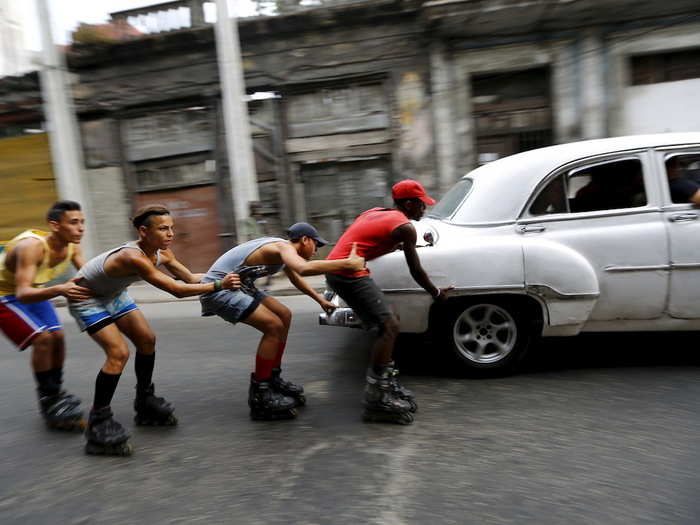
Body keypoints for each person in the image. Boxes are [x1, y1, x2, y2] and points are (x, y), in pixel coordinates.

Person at [69, 205, 240, 456]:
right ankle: (98, 421)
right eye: (163, 228)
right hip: (86, 298)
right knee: (118, 354)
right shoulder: (133, 256)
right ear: (143, 231)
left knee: (147, 340)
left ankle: (145, 400)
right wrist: (218, 285)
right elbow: (177, 291)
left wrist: (230, 277)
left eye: (171, 228)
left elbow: (191, 279)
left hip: (113, 294)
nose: (170, 233)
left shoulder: (163, 253)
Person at [199, 222, 365, 421]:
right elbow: (303, 269)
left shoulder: (284, 252)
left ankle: (272, 378)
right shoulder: (282, 247)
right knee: (273, 326)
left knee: (284, 315)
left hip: (241, 285)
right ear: (304, 240)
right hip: (219, 288)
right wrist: (347, 263)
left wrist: (320, 300)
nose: (316, 251)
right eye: (316, 245)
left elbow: (296, 277)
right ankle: (260, 394)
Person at [325, 180, 451, 425]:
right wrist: (436, 293)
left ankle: (385, 383)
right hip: (347, 272)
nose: (423, 210)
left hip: (338, 269)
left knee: (385, 324)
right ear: (408, 204)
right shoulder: (404, 227)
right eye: (421, 205)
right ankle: (377, 398)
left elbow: (368, 240)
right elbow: (416, 270)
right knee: (389, 326)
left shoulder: (374, 212)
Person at [0, 200, 91, 430]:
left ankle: (55, 392)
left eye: (82, 222)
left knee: (58, 337)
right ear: (55, 226)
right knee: (43, 339)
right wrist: (61, 289)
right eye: (73, 222)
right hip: (6, 293)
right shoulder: (32, 247)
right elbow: (22, 293)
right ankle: (48, 400)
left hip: (34, 289)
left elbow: (89, 274)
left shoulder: (72, 246)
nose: (80, 228)